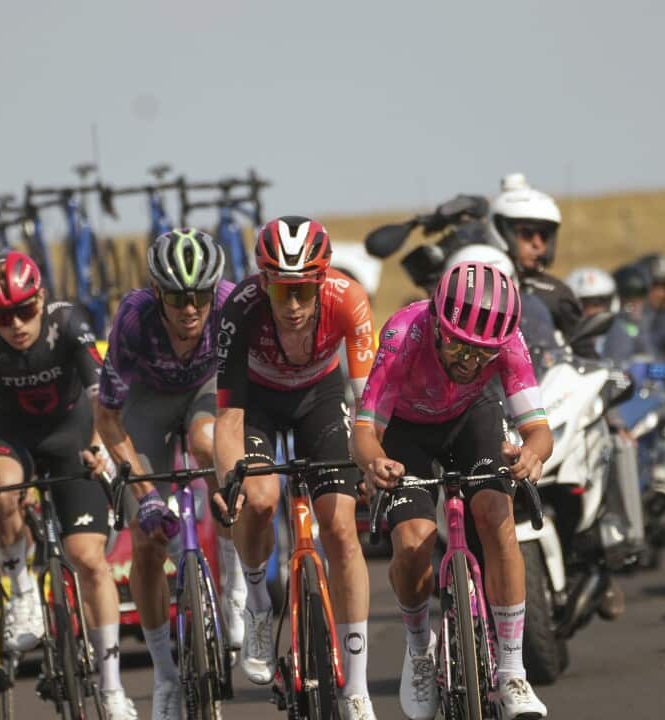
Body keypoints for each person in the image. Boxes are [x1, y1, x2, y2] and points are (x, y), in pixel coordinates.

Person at [351, 260, 551, 720]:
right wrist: (373, 461)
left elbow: (538, 430)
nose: (468, 361)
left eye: (483, 354)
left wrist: (532, 454)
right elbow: (363, 431)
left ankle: (513, 670)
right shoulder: (404, 334)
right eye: (460, 346)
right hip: (406, 430)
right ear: (439, 324)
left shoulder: (508, 340)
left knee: (496, 518)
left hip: (472, 418)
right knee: (413, 541)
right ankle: (420, 648)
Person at [0, 251, 136, 720]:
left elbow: (103, 401)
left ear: (41, 299)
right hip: (11, 436)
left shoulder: (68, 322)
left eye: (24, 310)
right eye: (1, 314)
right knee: (0, 486)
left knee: (89, 559)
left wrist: (99, 447)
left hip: (73, 433)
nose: (15, 324)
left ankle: (113, 688)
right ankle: (21, 589)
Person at [211, 216, 379, 720]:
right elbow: (228, 418)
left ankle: (358, 687)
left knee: (342, 530)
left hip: (321, 400)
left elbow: (366, 404)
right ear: (264, 283)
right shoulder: (239, 311)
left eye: (304, 291)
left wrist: (370, 464)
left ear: (320, 280)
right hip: (258, 405)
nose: (295, 306)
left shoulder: (348, 299)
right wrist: (229, 483)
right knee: (258, 500)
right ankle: (259, 603)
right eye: (283, 292)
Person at [94, 229, 245, 720]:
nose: (189, 309)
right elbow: (108, 418)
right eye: (178, 298)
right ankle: (163, 673)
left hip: (206, 388)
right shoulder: (133, 319)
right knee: (146, 539)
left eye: (199, 296)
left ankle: (234, 571)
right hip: (148, 401)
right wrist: (145, 493)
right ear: (158, 293)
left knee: (207, 444)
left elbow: (245, 392)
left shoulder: (227, 304)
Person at [490, 173, 585, 341]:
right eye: (527, 234)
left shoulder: (557, 294)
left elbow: (584, 350)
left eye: (544, 235)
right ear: (502, 232)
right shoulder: (479, 285)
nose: (538, 244)